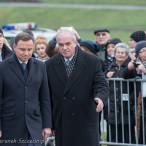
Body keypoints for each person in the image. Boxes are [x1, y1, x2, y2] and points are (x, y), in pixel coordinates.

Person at [45, 29, 109, 146]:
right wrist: (50, 124)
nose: (64, 48)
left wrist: (100, 98)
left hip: (85, 119)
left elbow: (101, 84)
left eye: (68, 44)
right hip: (62, 121)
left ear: (75, 43)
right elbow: (47, 96)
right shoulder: (49, 65)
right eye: (61, 45)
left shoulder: (92, 61)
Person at [0, 32, 52, 146]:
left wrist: (47, 125)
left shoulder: (41, 66)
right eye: (22, 49)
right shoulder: (2, 67)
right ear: (14, 47)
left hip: (35, 125)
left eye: (29, 49)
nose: (26, 53)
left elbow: (45, 98)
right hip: (10, 126)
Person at [106, 43, 135, 144]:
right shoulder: (110, 66)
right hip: (113, 108)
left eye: (123, 53)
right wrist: (106, 75)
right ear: (114, 54)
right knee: (113, 137)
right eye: (118, 52)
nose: (120, 54)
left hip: (127, 108)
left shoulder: (130, 67)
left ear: (127, 55)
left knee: (128, 137)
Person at [123, 41, 146, 144]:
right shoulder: (135, 63)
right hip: (140, 99)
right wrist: (129, 68)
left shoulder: (142, 66)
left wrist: (144, 70)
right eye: (142, 51)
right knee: (141, 124)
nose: (145, 53)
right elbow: (125, 76)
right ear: (138, 53)